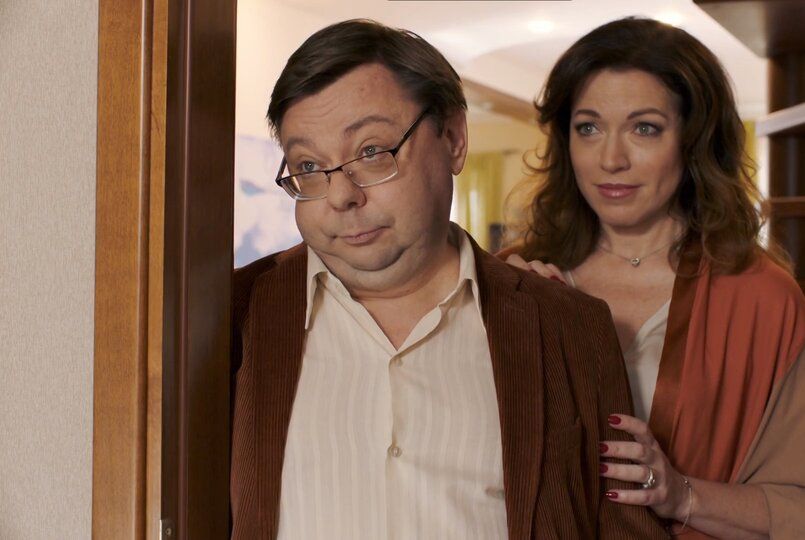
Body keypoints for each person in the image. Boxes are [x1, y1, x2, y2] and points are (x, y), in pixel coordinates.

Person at [230, 18, 667, 540]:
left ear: (454, 139)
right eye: (307, 165)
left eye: (371, 152)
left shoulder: (569, 326)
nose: (341, 195)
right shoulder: (233, 317)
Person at [505, 17, 805, 539]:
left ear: (693, 140)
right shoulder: (511, 279)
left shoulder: (764, 298)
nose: (611, 159)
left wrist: (680, 494)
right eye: (588, 127)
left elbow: (796, 507)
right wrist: (496, 328)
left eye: (644, 128)